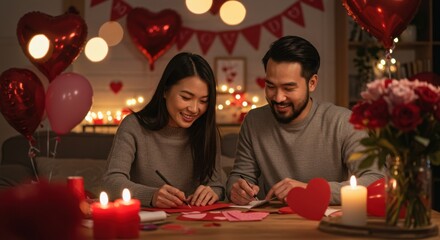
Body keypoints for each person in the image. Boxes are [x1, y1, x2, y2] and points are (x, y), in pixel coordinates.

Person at [226, 36, 384, 205]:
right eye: (271, 86)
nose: (278, 97)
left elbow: (377, 181)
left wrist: (311, 191)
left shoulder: (344, 122)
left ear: (312, 83)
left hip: (329, 223)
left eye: (288, 88)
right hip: (272, 223)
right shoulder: (254, 121)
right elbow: (240, 176)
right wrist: (236, 189)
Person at [103, 52, 224, 208]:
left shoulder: (207, 130)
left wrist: (213, 191)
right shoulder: (133, 126)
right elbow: (111, 182)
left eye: (203, 101)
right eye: (186, 97)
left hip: (196, 224)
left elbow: (217, 184)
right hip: (147, 224)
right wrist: (152, 196)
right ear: (165, 91)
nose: (194, 109)